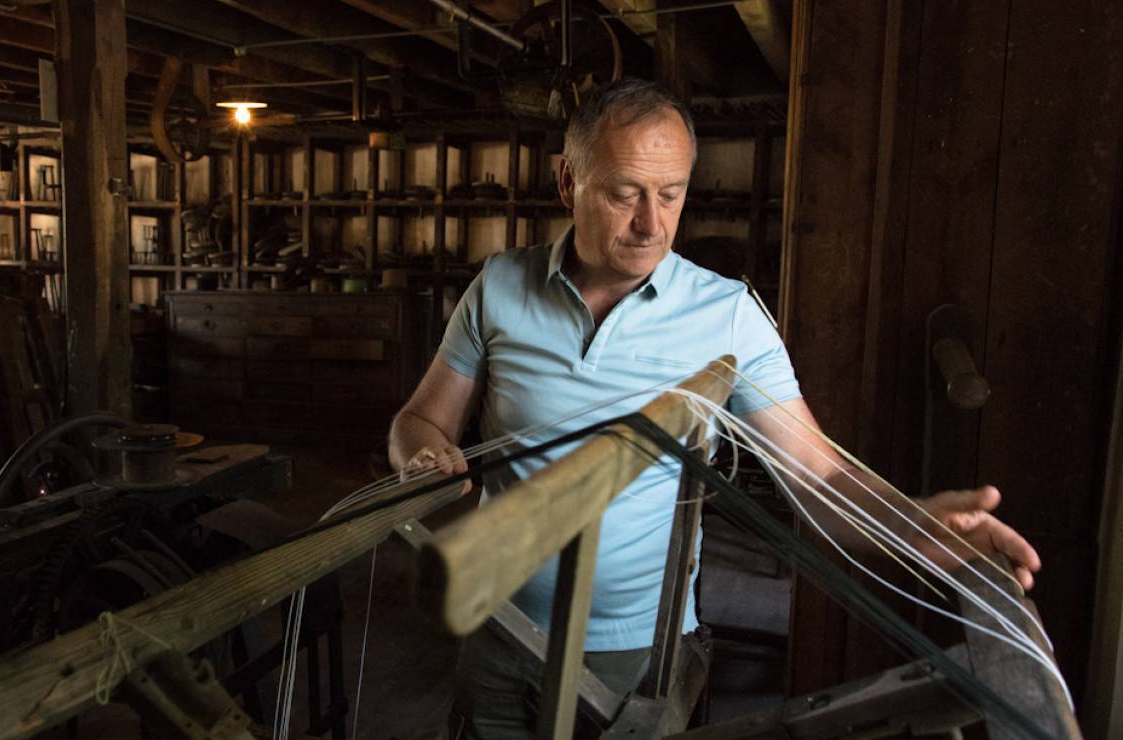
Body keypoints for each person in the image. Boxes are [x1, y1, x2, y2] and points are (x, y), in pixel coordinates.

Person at [387, 78, 1040, 739]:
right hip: (495, 626)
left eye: (671, 195)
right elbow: (420, 420)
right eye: (624, 194)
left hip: (633, 654)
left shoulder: (726, 316)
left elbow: (821, 477)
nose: (651, 223)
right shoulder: (499, 287)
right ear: (567, 182)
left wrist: (915, 523)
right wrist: (423, 456)